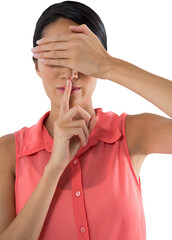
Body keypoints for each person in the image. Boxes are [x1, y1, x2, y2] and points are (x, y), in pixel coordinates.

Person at [0, 1, 172, 239]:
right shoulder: (8, 152)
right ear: (36, 66)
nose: (70, 72)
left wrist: (109, 65)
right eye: (55, 56)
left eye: (80, 57)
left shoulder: (132, 134)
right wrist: (53, 169)